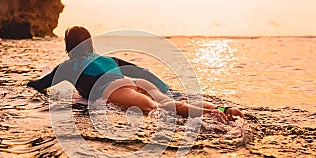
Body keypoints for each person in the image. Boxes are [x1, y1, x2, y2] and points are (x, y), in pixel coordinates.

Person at [27, 26, 243, 122]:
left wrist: (26, 83)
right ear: (90, 43)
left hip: (115, 90)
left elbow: (39, 85)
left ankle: (215, 116)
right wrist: (168, 90)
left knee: (158, 109)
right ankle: (223, 109)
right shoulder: (107, 59)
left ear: (69, 46)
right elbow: (143, 71)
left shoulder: (67, 66)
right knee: (170, 101)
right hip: (135, 82)